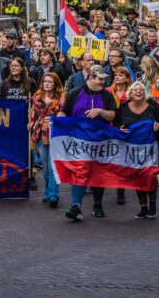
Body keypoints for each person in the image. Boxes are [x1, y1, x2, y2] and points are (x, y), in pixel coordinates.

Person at [59, 65, 117, 221]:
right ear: (90, 78)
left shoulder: (107, 96)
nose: (103, 82)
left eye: (104, 79)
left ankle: (97, 204)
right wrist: (59, 119)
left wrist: (100, 111)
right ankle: (76, 206)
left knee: (98, 173)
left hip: (100, 141)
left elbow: (113, 115)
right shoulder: (75, 93)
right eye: (100, 79)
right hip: (79, 141)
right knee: (80, 171)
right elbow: (65, 111)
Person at [113, 81, 159, 219]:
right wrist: (119, 129)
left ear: (144, 93)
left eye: (141, 90)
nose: (138, 92)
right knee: (137, 176)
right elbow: (115, 124)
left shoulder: (152, 107)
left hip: (151, 148)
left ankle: (153, 207)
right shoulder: (123, 108)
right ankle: (143, 208)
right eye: (135, 90)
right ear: (130, 93)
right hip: (131, 149)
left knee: (150, 176)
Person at [29, 73, 66, 208]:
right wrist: (31, 123)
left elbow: (63, 113)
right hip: (40, 133)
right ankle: (47, 190)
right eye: (45, 81)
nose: (47, 84)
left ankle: (53, 195)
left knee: (52, 166)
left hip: (54, 134)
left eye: (50, 82)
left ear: (55, 83)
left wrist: (52, 106)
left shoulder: (61, 97)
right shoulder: (37, 96)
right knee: (45, 167)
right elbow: (33, 111)